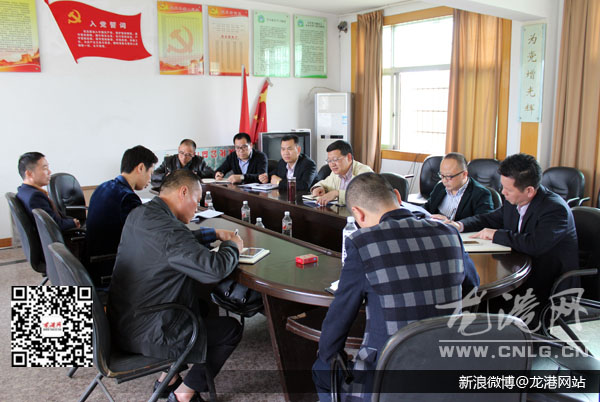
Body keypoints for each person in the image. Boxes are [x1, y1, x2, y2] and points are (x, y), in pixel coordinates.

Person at [312, 173, 479, 401]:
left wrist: (327, 354)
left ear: (358, 214)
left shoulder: (362, 243)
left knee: (322, 368)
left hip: (388, 379)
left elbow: (341, 314)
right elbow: (472, 287)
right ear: (398, 197)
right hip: (448, 365)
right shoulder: (450, 233)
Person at [108, 169, 244, 402]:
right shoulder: (170, 231)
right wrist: (233, 246)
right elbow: (214, 269)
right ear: (183, 192)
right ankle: (184, 395)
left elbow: (174, 243)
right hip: (149, 332)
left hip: (122, 320)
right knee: (230, 330)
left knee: (200, 306)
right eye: (196, 200)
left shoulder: (142, 213)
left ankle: (167, 379)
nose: (196, 208)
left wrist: (212, 234)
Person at [448, 153, 579, 327]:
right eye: (503, 187)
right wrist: (459, 225)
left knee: (485, 306)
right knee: (477, 302)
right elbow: (490, 218)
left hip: (547, 285)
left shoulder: (555, 209)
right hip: (522, 272)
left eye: (508, 190)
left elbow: (535, 245)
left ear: (529, 190)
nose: (503, 193)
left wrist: (496, 234)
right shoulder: (514, 200)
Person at [85, 145, 157, 286]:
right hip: (108, 268)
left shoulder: (104, 186)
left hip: (91, 264)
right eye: (151, 172)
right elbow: (145, 237)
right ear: (141, 167)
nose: (151, 179)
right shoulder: (127, 197)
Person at [16, 152, 80, 231]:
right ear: (29, 173)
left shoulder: (22, 191)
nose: (49, 172)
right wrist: (73, 222)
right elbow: (52, 225)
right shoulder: (35, 196)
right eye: (45, 168)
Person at [424, 152, 494, 221]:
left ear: (464, 174)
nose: (444, 180)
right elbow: (428, 207)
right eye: (442, 175)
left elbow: (483, 221)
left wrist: (452, 223)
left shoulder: (481, 194)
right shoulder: (440, 186)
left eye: (449, 176)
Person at [310, 140, 373, 206]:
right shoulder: (336, 173)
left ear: (349, 157)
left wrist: (337, 193)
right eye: (329, 160)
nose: (332, 164)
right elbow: (324, 183)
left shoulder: (365, 172)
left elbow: (365, 196)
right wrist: (318, 188)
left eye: (335, 159)